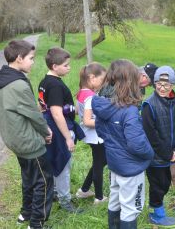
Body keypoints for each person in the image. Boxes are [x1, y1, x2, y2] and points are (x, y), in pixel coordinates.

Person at [0, 39, 54, 229]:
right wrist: (46, 132)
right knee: (43, 181)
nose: (33, 62)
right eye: (31, 58)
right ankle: (36, 223)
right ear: (19, 58)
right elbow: (34, 115)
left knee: (28, 177)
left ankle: (25, 213)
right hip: (29, 143)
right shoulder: (18, 85)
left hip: (14, 140)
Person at [92, 59, 154, 229]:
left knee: (115, 199)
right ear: (130, 82)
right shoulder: (129, 110)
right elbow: (137, 144)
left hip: (114, 162)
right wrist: (150, 154)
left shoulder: (102, 103)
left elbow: (100, 130)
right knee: (130, 207)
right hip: (131, 167)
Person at [37, 47, 84, 214]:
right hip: (58, 130)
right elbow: (57, 113)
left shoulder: (44, 82)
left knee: (55, 162)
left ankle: (56, 193)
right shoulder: (55, 85)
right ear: (54, 66)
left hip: (49, 126)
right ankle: (65, 202)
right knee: (63, 164)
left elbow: (41, 106)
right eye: (66, 65)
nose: (69, 67)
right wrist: (68, 138)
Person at [141, 66, 175, 227]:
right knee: (159, 185)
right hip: (155, 155)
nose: (162, 88)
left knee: (165, 183)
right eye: (159, 84)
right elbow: (151, 135)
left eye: (167, 85)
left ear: (173, 85)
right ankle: (157, 214)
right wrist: (167, 153)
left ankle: (154, 207)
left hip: (170, 153)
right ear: (154, 83)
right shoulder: (149, 105)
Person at [75, 62, 108, 204]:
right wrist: (106, 122)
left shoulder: (81, 92)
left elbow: (78, 112)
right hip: (96, 136)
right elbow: (87, 120)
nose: (103, 84)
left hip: (90, 135)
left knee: (99, 162)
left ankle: (84, 190)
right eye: (102, 80)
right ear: (92, 78)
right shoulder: (91, 97)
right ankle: (99, 198)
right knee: (99, 164)